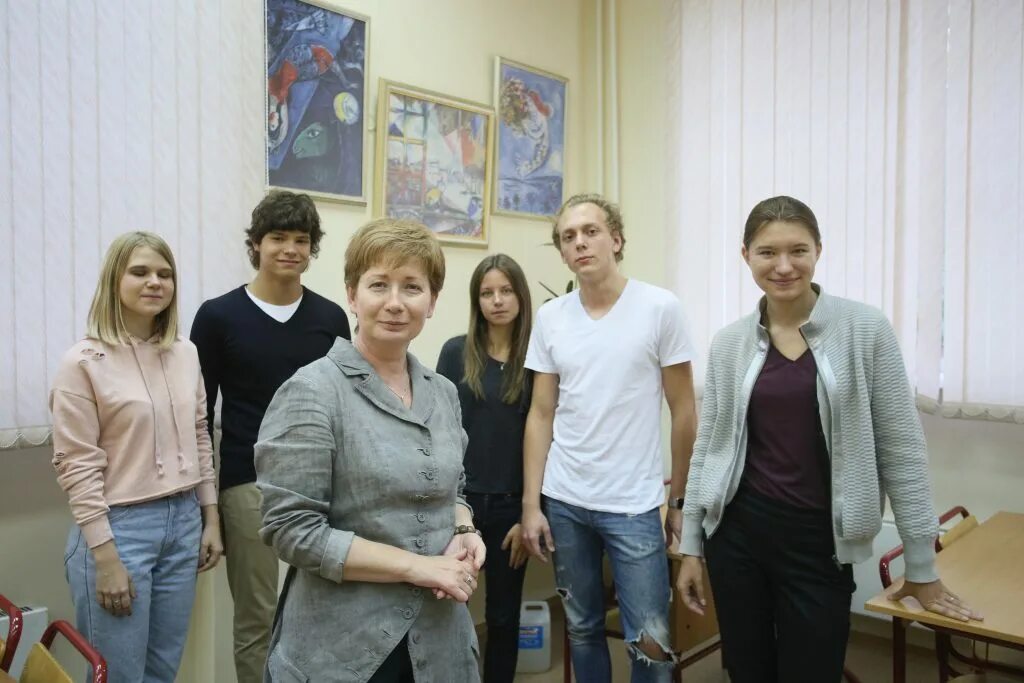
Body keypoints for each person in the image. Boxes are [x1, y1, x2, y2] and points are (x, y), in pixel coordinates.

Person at [675, 195, 982, 683]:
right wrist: (692, 546)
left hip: (819, 543)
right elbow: (708, 450)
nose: (783, 266)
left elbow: (902, 451)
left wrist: (921, 564)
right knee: (748, 671)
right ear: (746, 255)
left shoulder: (864, 328)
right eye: (767, 252)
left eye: (798, 250)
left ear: (818, 250)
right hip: (737, 538)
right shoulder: (730, 342)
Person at [255, 218, 483, 683]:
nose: (395, 303)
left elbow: (453, 486)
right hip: (343, 646)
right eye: (379, 284)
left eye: (412, 287)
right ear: (352, 295)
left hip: (440, 642)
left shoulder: (443, 392)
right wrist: (418, 568)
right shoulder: (312, 391)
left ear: (432, 302)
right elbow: (292, 530)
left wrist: (463, 527)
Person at [520, 194, 698, 682]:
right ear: (562, 253)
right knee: (582, 630)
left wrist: (678, 502)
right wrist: (532, 505)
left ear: (616, 240)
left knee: (651, 642)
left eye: (591, 231)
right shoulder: (552, 318)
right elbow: (541, 413)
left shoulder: (659, 308)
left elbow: (684, 411)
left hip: (632, 506)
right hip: (565, 501)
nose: (580, 242)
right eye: (568, 237)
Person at [189, 190, 350, 682]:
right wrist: (207, 510)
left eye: (301, 239)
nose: (290, 249)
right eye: (278, 237)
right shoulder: (217, 317)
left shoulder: (330, 319)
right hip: (248, 484)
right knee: (256, 618)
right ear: (256, 243)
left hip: (323, 483)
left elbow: (346, 407)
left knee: (322, 612)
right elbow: (199, 418)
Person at [51, 231, 222, 683]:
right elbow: (76, 465)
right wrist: (106, 559)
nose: (155, 283)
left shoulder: (186, 353)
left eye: (165, 274)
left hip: (184, 522)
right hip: (120, 530)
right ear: (115, 280)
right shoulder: (83, 362)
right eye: (140, 272)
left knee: (161, 671)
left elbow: (200, 435)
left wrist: (210, 518)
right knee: (120, 675)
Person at [437, 254, 533, 683]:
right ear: (476, 301)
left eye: (506, 291)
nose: (497, 301)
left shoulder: (538, 359)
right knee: (447, 607)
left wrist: (531, 512)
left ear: (520, 296)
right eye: (487, 292)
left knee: (503, 615)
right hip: (461, 505)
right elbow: (438, 428)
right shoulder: (456, 352)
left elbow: (546, 440)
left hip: (513, 508)